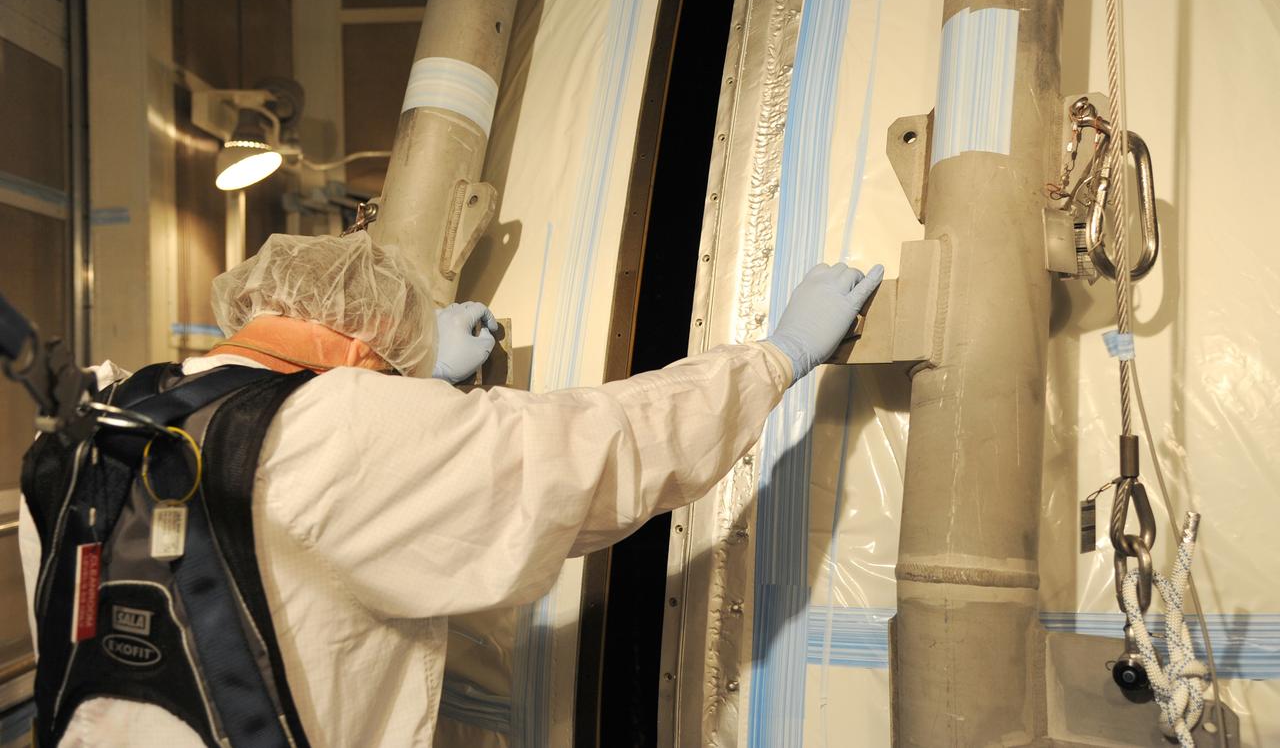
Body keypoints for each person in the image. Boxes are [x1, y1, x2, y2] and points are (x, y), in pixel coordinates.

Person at [19, 231, 882, 747]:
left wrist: (421, 379)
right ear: (365, 350)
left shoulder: (110, 423)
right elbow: (594, 450)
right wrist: (776, 356)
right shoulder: (340, 429)